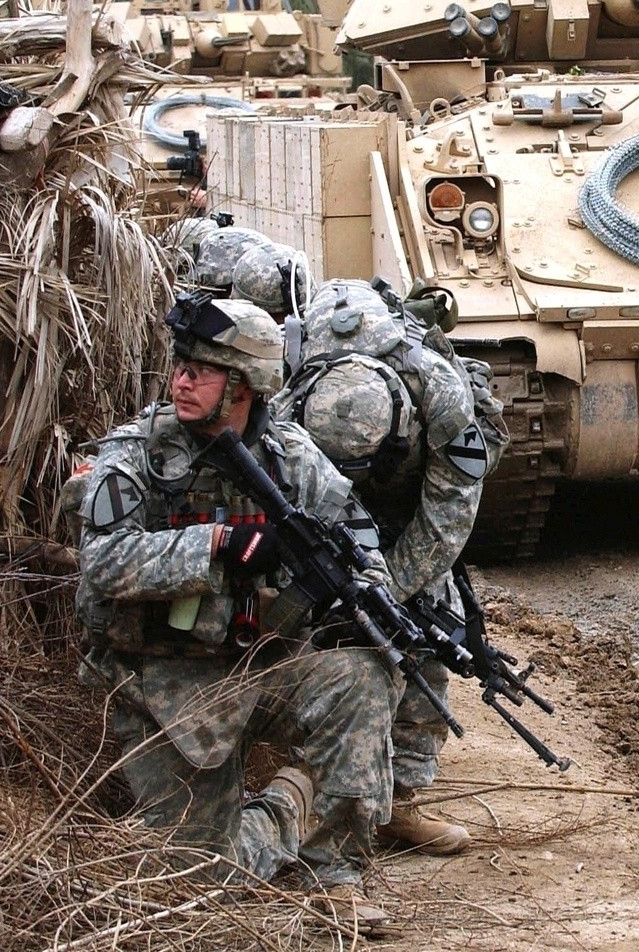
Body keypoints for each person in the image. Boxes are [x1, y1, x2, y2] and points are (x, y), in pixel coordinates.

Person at [76, 291, 399, 931]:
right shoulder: (138, 453)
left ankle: (336, 876)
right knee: (199, 883)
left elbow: (360, 540)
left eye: (203, 370)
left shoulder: (290, 457)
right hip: (164, 682)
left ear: (246, 385)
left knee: (364, 675)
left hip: (260, 666)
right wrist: (218, 545)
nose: (183, 380)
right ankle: (285, 805)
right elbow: (104, 563)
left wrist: (359, 594)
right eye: (181, 365)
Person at [280, 279, 509, 856]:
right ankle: (312, 777)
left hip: (414, 498)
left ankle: (399, 800)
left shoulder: (440, 392)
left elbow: (449, 515)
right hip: (322, 497)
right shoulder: (285, 397)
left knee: (424, 627)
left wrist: (389, 591)